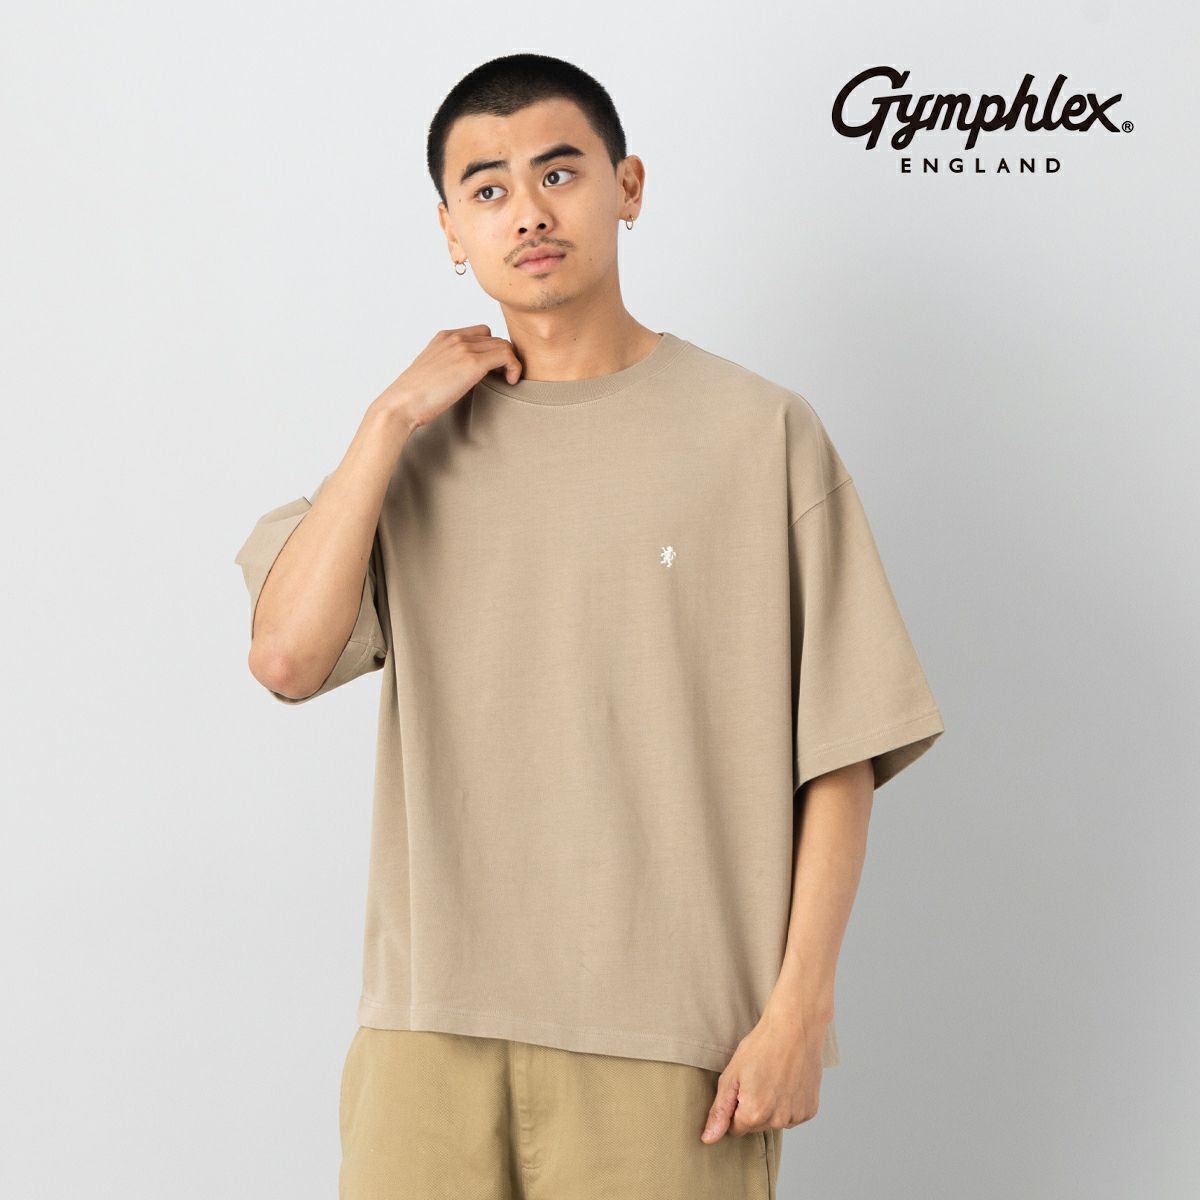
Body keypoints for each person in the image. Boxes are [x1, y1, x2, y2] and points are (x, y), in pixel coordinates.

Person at [234, 52, 945, 1200]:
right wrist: (388, 418)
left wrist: (800, 1011)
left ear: (629, 186)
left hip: (670, 1039)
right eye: (488, 188)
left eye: (558, 172)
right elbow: (285, 658)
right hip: (427, 1033)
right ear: (450, 229)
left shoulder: (758, 432)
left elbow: (844, 750)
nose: (527, 210)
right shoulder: (414, 449)